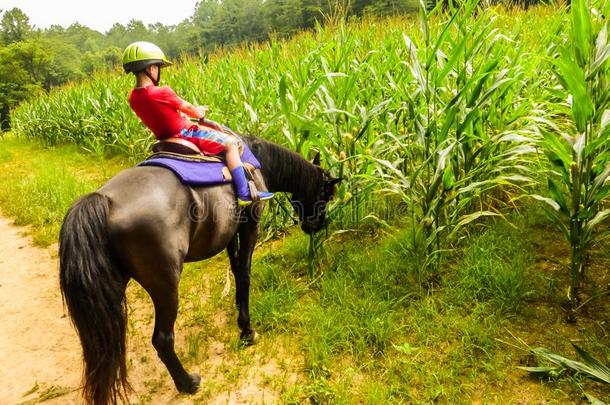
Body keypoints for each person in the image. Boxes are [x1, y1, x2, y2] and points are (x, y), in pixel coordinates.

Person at [122, 41, 273, 206]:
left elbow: (160, 113)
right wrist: (200, 111)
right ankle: (245, 193)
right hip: (187, 133)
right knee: (231, 144)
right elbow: (190, 109)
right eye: (158, 67)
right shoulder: (161, 91)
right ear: (151, 69)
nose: (158, 71)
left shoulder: (133, 97)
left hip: (164, 138)